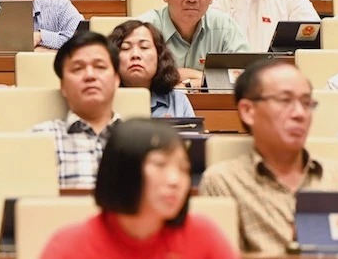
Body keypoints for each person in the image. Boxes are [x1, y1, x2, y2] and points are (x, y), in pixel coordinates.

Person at [41, 119, 238, 259]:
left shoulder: (203, 235)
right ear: (124, 170)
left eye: (183, 168)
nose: (175, 181)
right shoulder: (70, 246)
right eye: (160, 165)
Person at [200, 60, 338, 254]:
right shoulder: (223, 182)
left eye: (306, 102)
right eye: (285, 100)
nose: (300, 113)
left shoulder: (337, 176)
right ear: (248, 111)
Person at [137, 0, 250, 87]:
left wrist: (194, 81)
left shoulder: (224, 26)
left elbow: (246, 77)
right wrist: (209, 79)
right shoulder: (144, 28)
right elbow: (133, 78)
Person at [31, 32, 121, 187]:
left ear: (116, 80)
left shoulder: (142, 140)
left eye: (100, 67)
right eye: (78, 68)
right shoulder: (38, 139)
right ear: (63, 86)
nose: (90, 76)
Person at [107, 20, 195, 117]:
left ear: (159, 55)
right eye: (125, 48)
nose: (135, 55)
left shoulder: (177, 101)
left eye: (144, 47)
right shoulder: (101, 101)